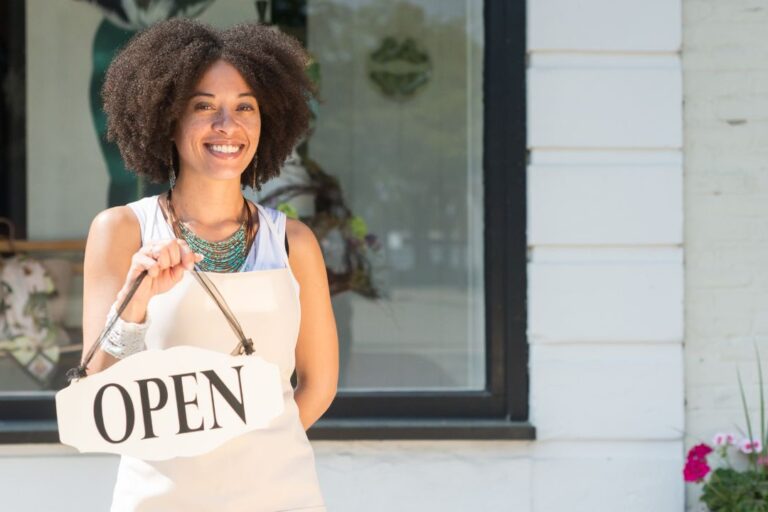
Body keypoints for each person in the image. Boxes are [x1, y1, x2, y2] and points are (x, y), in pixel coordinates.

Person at [80, 18, 338, 512]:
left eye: (245, 106)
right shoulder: (122, 231)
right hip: (158, 497)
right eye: (204, 107)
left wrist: (243, 451)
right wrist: (134, 303)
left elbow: (319, 384)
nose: (227, 126)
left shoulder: (294, 243)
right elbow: (97, 391)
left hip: (279, 495)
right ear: (167, 119)